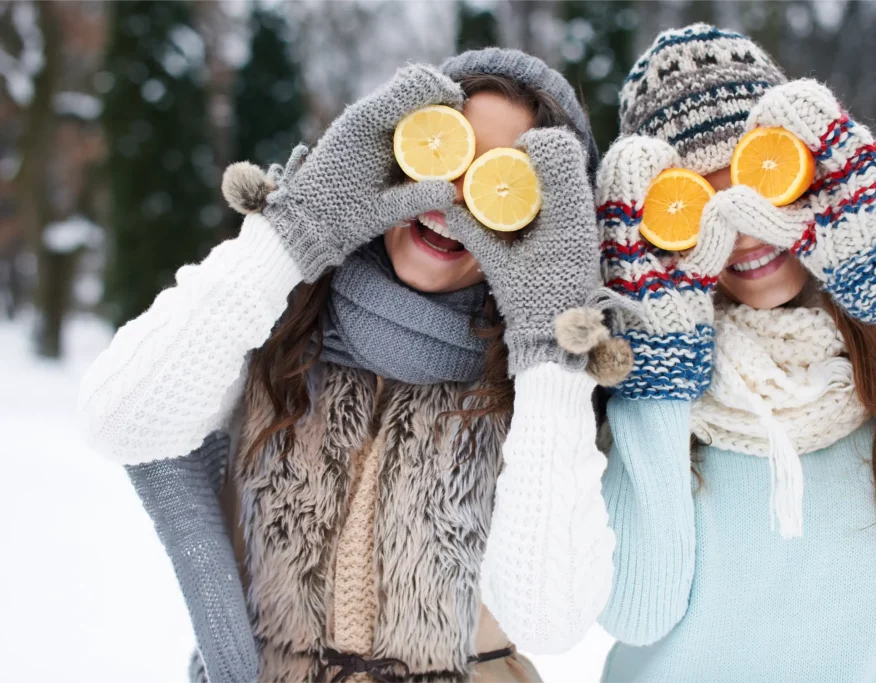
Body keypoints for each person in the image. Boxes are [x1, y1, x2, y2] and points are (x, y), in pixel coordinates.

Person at [79, 48, 616, 683]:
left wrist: (549, 349)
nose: (448, 202)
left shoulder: (548, 388)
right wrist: (295, 231)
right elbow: (120, 422)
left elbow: (549, 621)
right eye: (442, 153)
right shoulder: (272, 312)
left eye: (499, 185)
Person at [595, 24, 876, 682]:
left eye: (757, 179)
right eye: (696, 202)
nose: (737, 227)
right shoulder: (643, 388)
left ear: (812, 174)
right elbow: (635, 610)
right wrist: (658, 367)